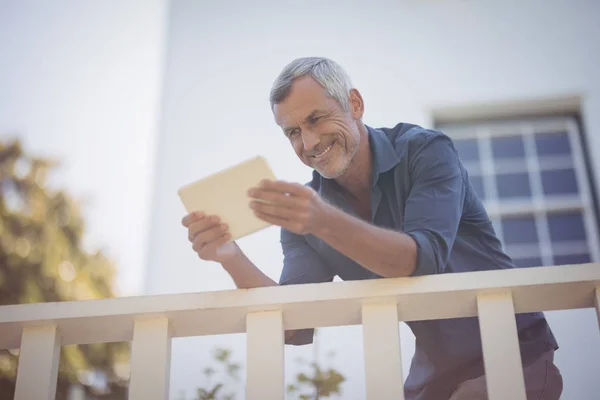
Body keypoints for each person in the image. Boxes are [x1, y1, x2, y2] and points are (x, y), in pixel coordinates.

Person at [181, 57, 563, 400]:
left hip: (515, 357)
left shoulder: (426, 150)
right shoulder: (305, 215)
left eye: (315, 119)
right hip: (436, 376)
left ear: (355, 104)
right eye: (293, 132)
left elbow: (421, 260)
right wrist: (230, 257)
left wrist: (323, 220)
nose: (309, 142)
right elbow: (292, 326)